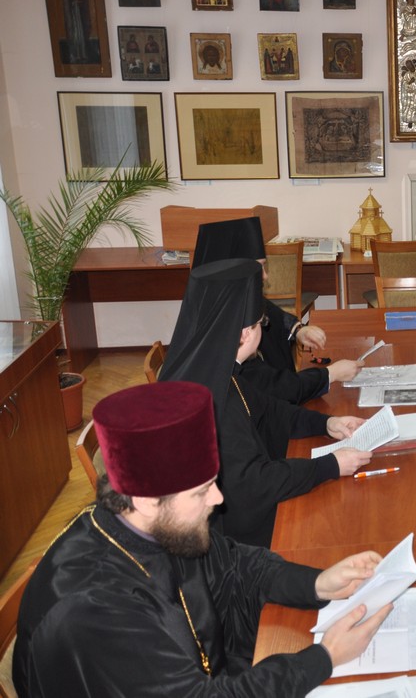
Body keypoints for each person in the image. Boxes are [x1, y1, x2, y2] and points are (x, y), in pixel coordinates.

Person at [13, 380, 392, 696]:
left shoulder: (153, 524)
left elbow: (236, 564)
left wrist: (317, 583)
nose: (218, 499)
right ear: (144, 499)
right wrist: (324, 658)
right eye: (201, 491)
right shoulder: (94, 611)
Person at [158, 258, 371, 547]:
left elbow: (270, 411)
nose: (263, 329)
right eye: (262, 323)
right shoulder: (215, 398)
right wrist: (329, 466)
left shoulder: (219, 369)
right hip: (230, 539)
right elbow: (254, 483)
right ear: (245, 333)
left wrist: (327, 423)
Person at [191, 216, 360, 405]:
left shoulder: (233, 303)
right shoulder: (226, 336)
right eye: (259, 268)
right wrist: (331, 374)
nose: (265, 276)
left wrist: (299, 330)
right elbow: (276, 387)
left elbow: (273, 314)